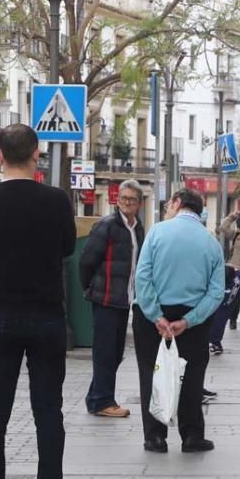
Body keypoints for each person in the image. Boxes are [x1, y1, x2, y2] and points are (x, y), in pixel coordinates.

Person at [0, 123, 78, 479]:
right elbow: (67, 248)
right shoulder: (56, 201)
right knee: (48, 410)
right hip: (47, 315)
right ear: (36, 155)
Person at [133, 188, 224, 454]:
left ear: (177, 203)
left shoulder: (157, 232)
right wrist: (189, 320)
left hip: (152, 317)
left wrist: (156, 315)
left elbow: (143, 277)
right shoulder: (211, 242)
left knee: (151, 373)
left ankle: (155, 437)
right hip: (193, 317)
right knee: (193, 376)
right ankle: (192, 435)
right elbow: (216, 292)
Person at [79, 179, 145, 418]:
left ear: (139, 203)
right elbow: (86, 261)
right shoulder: (106, 226)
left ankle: (96, 397)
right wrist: (90, 289)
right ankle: (103, 401)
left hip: (125, 299)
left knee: (115, 352)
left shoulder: (138, 228)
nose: (126, 203)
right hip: (105, 299)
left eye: (131, 199)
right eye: (123, 198)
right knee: (105, 352)